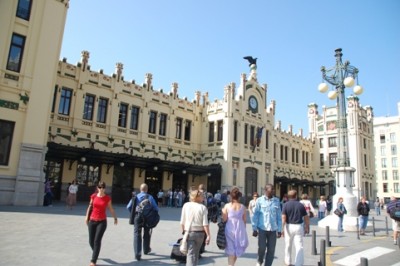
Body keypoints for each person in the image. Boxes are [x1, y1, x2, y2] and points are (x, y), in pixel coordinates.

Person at [85, 181, 118, 266]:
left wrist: (115, 218)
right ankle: (96, 251)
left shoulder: (107, 198)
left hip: (102, 222)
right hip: (92, 220)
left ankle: (93, 261)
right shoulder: (93, 196)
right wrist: (86, 217)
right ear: (97, 188)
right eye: (100, 187)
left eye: (103, 187)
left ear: (105, 188)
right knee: (91, 241)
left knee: (97, 241)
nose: (101, 189)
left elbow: (111, 209)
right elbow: (90, 206)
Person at [251, 184, 282, 266]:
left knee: (271, 250)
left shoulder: (276, 201)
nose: (273, 191)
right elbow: (255, 215)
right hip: (262, 229)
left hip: (273, 229)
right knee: (262, 248)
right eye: (271, 189)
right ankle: (259, 261)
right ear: (266, 190)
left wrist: (279, 230)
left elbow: (279, 216)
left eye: (273, 189)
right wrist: (254, 228)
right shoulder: (259, 200)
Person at [127, 183, 159, 261]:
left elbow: (128, 207)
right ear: (147, 189)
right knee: (147, 233)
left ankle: (137, 254)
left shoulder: (136, 197)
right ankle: (146, 250)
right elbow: (156, 208)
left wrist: (133, 213)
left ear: (140, 189)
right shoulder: (150, 197)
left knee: (137, 234)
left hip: (138, 217)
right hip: (147, 218)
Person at [180, 189, 211, 266]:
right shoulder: (203, 207)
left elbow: (182, 222)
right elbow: (205, 224)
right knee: (195, 254)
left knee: (190, 254)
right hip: (200, 233)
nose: (203, 197)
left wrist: (183, 232)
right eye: (202, 196)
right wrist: (208, 235)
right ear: (197, 197)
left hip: (189, 232)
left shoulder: (186, 205)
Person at [221, 187, 249, 266]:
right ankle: (232, 264)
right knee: (237, 248)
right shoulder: (242, 207)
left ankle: (230, 265)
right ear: (239, 197)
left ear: (231, 196)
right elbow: (244, 220)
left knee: (231, 249)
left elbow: (224, 219)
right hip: (240, 228)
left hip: (230, 227)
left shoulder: (227, 206)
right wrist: (244, 229)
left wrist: (222, 212)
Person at [281, 190, 309, 266]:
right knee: (299, 245)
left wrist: (282, 229)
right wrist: (307, 227)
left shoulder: (285, 205)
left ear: (288, 197)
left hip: (289, 226)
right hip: (298, 226)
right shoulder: (300, 205)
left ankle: (288, 261)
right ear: (296, 196)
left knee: (288, 244)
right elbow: (306, 217)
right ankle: (298, 263)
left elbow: (283, 218)